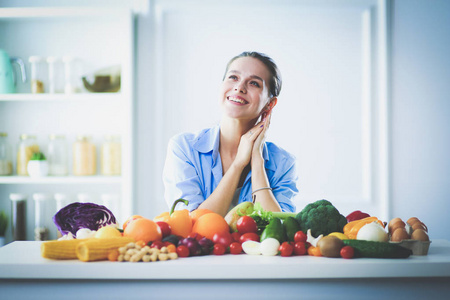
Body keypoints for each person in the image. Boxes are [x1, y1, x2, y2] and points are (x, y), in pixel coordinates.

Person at [163, 51, 298, 216]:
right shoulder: (184, 147)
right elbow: (192, 226)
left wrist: (257, 161)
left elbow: (279, 232)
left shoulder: (284, 164)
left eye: (254, 83)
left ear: (269, 104)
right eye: (233, 77)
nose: (239, 87)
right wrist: (238, 165)